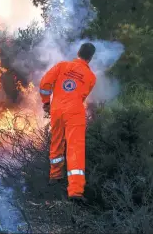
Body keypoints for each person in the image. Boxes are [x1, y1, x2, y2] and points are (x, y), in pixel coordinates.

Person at [39, 43, 97, 204]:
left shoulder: (62, 65)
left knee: (56, 141)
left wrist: (46, 103)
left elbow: (44, 84)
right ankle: (75, 192)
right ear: (90, 58)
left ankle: (55, 176)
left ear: (78, 53)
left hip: (56, 109)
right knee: (75, 148)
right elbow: (83, 95)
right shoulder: (91, 77)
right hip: (75, 112)